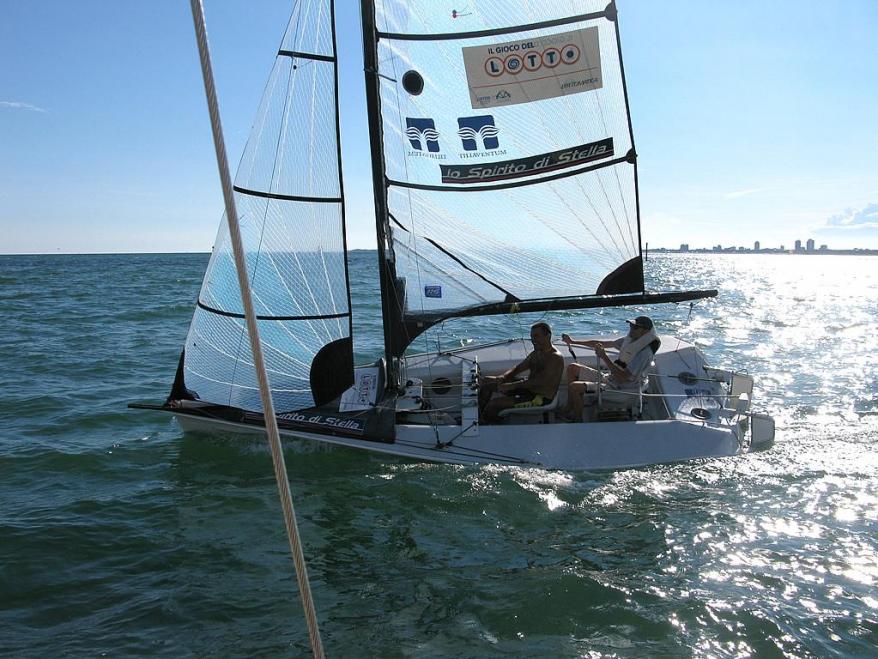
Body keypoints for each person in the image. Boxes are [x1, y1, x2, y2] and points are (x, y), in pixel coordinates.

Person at [561, 316, 660, 421]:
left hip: (621, 389)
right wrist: (573, 341)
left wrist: (604, 356)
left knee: (574, 387)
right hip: (611, 379)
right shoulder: (631, 340)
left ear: (645, 331)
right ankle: (569, 406)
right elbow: (603, 344)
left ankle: (578, 420)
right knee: (572, 368)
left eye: (635, 327)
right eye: (631, 326)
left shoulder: (644, 354)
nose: (631, 329)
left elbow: (623, 377)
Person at [479, 322, 565, 423]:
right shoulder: (537, 352)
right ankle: (478, 416)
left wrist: (511, 386)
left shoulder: (555, 357)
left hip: (540, 398)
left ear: (548, 336)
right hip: (527, 389)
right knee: (487, 383)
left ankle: (490, 425)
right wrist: (503, 377)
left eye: (536, 336)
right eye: (532, 337)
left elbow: (541, 381)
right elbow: (519, 368)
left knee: (494, 404)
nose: (533, 340)